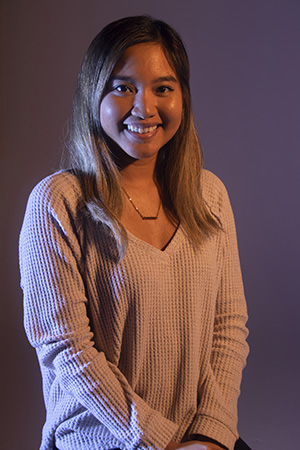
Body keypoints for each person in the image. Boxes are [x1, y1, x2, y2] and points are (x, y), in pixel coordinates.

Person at [19, 15, 250, 450]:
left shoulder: (210, 196)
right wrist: (161, 441)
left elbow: (228, 327)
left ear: (183, 97)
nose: (144, 107)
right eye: (123, 88)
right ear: (94, 95)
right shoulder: (58, 202)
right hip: (100, 440)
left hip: (198, 439)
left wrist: (211, 435)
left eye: (163, 88)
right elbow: (66, 348)